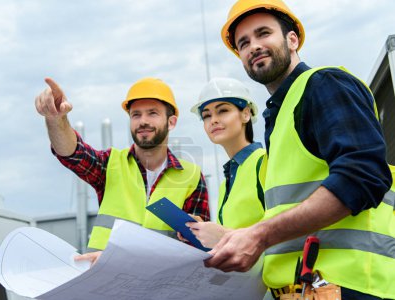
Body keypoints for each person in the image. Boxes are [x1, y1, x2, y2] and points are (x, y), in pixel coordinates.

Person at [204, 0, 395, 299]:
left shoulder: (324, 84)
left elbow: (363, 176)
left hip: (349, 287)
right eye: (244, 43)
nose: (253, 46)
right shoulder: (279, 119)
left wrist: (259, 234)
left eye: (263, 33)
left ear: (292, 39)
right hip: (304, 291)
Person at [35, 77, 210, 265]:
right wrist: (55, 118)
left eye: (152, 113)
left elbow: (197, 253)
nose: (143, 121)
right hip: (105, 288)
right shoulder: (110, 164)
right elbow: (72, 152)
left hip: (162, 289)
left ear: (171, 122)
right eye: (136, 115)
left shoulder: (190, 177)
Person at [185, 77, 265, 249]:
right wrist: (204, 233)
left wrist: (223, 235)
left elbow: (284, 229)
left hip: (276, 274)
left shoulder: (264, 162)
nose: (213, 120)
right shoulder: (225, 185)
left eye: (222, 111)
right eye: (206, 115)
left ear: (246, 114)